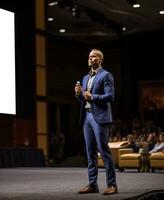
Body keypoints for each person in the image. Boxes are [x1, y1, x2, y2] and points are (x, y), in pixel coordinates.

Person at [74, 49, 118, 195]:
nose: (91, 59)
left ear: (100, 60)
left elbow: (110, 96)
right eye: (89, 57)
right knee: (90, 152)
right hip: (87, 116)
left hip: (99, 117)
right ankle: (93, 184)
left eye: (94, 57)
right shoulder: (85, 77)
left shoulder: (106, 75)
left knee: (104, 152)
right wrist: (79, 94)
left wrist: (92, 96)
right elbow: (83, 99)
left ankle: (112, 185)